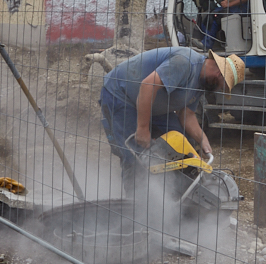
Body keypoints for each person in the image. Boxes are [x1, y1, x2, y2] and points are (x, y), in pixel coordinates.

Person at [100, 47, 244, 196]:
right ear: (219, 74)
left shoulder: (202, 83)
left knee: (183, 144)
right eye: (223, 85)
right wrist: (142, 128)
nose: (220, 89)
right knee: (134, 154)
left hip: (152, 103)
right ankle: (135, 204)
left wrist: (203, 141)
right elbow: (148, 85)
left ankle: (173, 193)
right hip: (121, 95)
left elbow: (186, 114)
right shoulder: (185, 62)